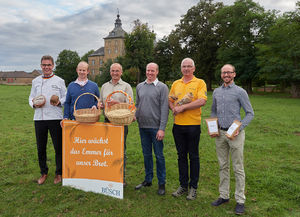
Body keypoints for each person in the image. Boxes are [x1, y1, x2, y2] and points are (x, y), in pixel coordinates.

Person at [210, 64, 254, 215]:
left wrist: (238, 129)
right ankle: (224, 196)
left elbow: (250, 113)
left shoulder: (240, 92)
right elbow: (213, 110)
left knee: (238, 167)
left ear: (234, 74)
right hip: (220, 134)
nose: (226, 74)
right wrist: (213, 127)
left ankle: (240, 200)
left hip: (234, 134)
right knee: (223, 165)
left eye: (229, 72)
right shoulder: (216, 91)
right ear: (221, 74)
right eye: (224, 72)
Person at [168, 57, 207, 200]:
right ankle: (183, 185)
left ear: (194, 68)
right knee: (181, 156)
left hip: (193, 126)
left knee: (194, 156)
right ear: (181, 68)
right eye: (184, 66)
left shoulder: (199, 83)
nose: (186, 69)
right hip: (178, 126)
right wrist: (173, 108)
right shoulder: (176, 83)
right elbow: (170, 100)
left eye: (189, 66)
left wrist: (183, 107)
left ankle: (193, 188)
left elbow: (202, 100)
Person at [29, 55, 67, 185]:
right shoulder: (35, 81)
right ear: (41, 66)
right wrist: (34, 104)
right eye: (44, 65)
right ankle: (43, 172)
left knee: (58, 147)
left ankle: (59, 173)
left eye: (49, 65)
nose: (46, 67)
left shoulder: (59, 81)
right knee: (41, 147)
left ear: (53, 66)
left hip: (55, 117)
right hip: (39, 118)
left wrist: (58, 102)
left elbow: (65, 97)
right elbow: (31, 98)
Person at [135, 62, 169, 195]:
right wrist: (133, 116)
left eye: (152, 71)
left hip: (156, 128)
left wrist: (162, 128)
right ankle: (148, 179)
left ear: (157, 72)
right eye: (148, 70)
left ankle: (162, 183)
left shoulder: (162, 87)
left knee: (159, 156)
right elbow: (137, 105)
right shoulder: (139, 86)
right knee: (146, 155)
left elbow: (164, 109)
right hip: (142, 126)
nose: (150, 73)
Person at [99, 63, 133, 186]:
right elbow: (100, 102)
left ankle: (121, 178)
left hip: (121, 123)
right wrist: (101, 105)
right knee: (108, 150)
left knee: (120, 151)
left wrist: (117, 103)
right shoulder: (104, 86)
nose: (115, 73)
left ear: (121, 72)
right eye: (113, 71)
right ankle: (109, 175)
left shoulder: (126, 87)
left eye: (117, 71)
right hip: (107, 122)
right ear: (110, 72)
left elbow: (130, 105)